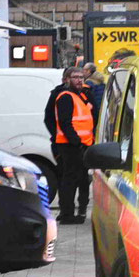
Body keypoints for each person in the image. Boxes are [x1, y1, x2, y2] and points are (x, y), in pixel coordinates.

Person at [45, 65, 96, 223]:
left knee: (79, 178)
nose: (79, 80)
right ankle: (67, 214)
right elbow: (64, 123)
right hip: (71, 145)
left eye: (81, 77)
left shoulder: (82, 95)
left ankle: (76, 211)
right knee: (70, 179)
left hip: (81, 144)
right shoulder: (66, 96)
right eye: (76, 77)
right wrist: (76, 141)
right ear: (67, 79)